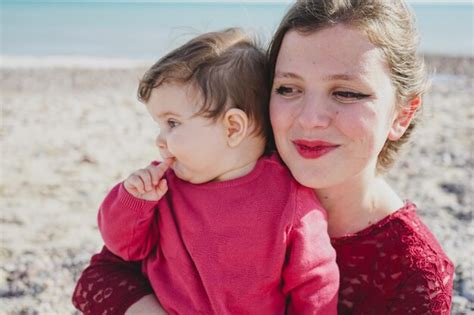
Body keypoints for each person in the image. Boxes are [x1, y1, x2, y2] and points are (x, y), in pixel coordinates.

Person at [72, 0, 455, 314]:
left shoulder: (415, 273)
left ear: (402, 115)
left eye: (347, 93)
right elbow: (100, 277)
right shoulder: (224, 168)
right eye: (288, 88)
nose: (309, 119)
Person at [84, 27, 339, 315]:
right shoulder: (164, 187)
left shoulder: (288, 200)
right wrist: (133, 201)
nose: (160, 139)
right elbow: (124, 247)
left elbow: (315, 283)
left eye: (173, 123)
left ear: (232, 127)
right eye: (160, 125)